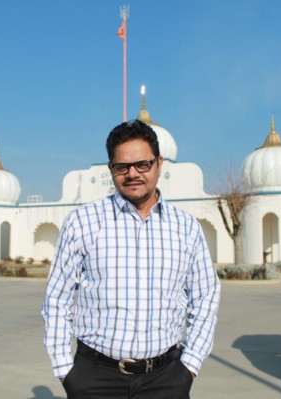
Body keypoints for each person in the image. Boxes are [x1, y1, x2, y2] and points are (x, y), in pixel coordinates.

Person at [42, 119, 221, 399]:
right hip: (95, 378)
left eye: (143, 164)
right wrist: (67, 371)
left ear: (159, 164)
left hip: (166, 379)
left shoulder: (186, 227)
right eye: (122, 167)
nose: (132, 174)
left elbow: (206, 296)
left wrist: (190, 366)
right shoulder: (83, 222)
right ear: (111, 169)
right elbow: (56, 299)